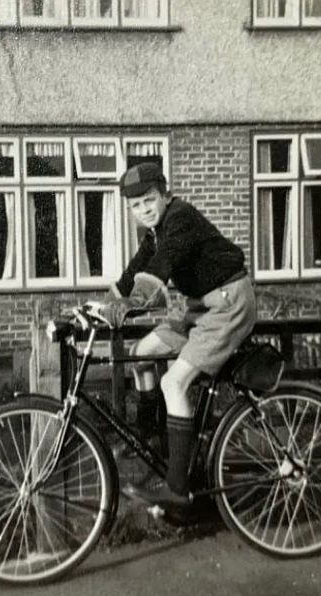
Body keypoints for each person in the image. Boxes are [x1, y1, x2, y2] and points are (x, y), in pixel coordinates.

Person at [100, 162, 256, 506]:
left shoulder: (180, 217)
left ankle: (177, 489)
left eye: (149, 200)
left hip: (228, 303)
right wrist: (103, 305)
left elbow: (161, 265)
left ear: (164, 194)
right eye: (136, 206)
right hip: (200, 308)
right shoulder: (155, 232)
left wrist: (135, 302)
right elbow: (135, 270)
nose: (144, 210)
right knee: (142, 353)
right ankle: (150, 434)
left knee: (174, 383)